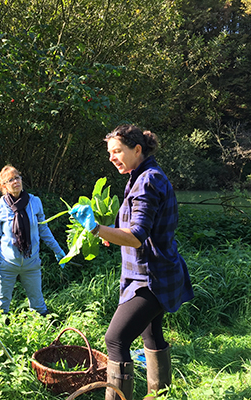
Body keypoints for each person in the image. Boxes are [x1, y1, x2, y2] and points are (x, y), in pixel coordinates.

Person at [69, 125, 194, 400]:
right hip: (156, 271)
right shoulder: (139, 175)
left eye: (117, 151)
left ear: (137, 149)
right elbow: (139, 222)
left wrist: (96, 229)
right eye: (109, 153)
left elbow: (137, 236)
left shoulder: (147, 180)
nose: (112, 158)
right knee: (152, 333)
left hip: (151, 277)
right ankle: (160, 396)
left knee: (115, 339)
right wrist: (111, 232)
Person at [0, 165, 66, 316]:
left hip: (31, 262)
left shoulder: (35, 202)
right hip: (6, 264)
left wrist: (58, 250)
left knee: (39, 305)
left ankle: (42, 327)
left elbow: (43, 229)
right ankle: (0, 329)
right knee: (1, 305)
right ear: (3, 186)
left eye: (17, 177)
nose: (15, 181)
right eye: (10, 180)